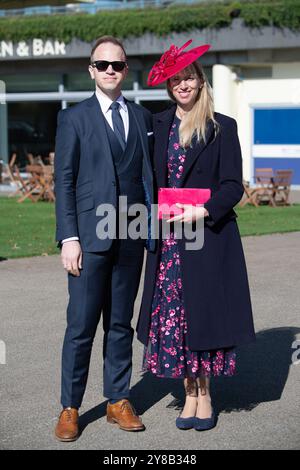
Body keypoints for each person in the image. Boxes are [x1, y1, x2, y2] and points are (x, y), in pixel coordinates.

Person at [137, 40, 256, 431]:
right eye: (175, 81)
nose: (182, 86)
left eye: (188, 78)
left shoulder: (222, 127)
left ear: (201, 81)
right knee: (177, 319)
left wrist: (202, 210)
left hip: (206, 235)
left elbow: (231, 186)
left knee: (202, 317)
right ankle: (188, 392)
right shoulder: (158, 125)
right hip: (170, 240)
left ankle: (205, 395)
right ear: (169, 88)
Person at [54, 36, 154, 441]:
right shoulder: (73, 118)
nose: (111, 70)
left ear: (126, 70)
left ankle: (117, 399)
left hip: (130, 233)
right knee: (80, 325)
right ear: (91, 70)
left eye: (118, 65)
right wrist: (69, 237)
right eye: (103, 64)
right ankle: (70, 407)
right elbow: (64, 182)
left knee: (119, 324)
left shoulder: (144, 117)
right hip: (89, 237)